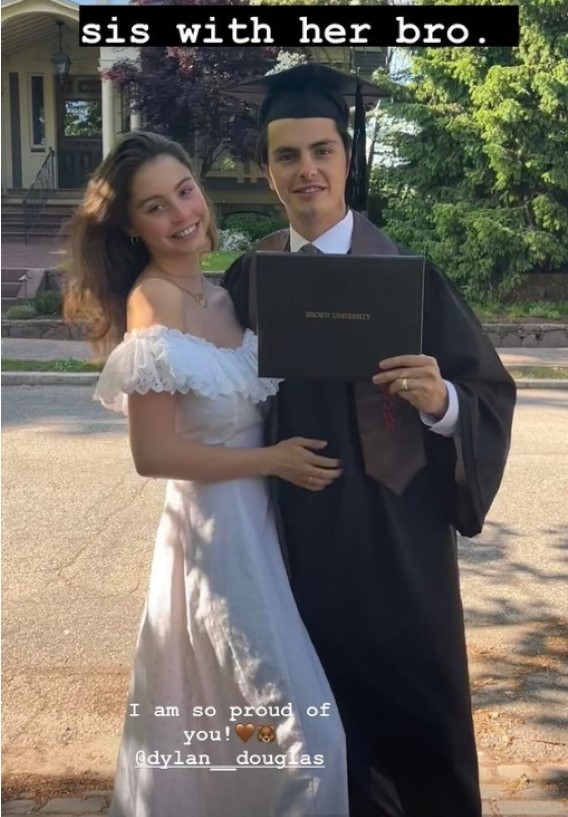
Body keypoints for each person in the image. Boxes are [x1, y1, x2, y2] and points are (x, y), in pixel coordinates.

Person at [222, 63, 517, 817]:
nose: (307, 169)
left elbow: (488, 391)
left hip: (397, 536)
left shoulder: (409, 277)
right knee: (315, 719)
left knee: (417, 714)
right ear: (267, 170)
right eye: (287, 155)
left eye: (322, 150)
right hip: (292, 533)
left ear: (348, 159)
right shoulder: (250, 277)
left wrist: (442, 402)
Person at [63, 130, 351, 817]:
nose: (181, 213)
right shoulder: (152, 303)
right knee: (307, 740)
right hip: (215, 546)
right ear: (132, 227)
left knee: (235, 728)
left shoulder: (224, 296)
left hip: (267, 535)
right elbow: (153, 455)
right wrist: (271, 461)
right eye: (155, 206)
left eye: (185, 191)